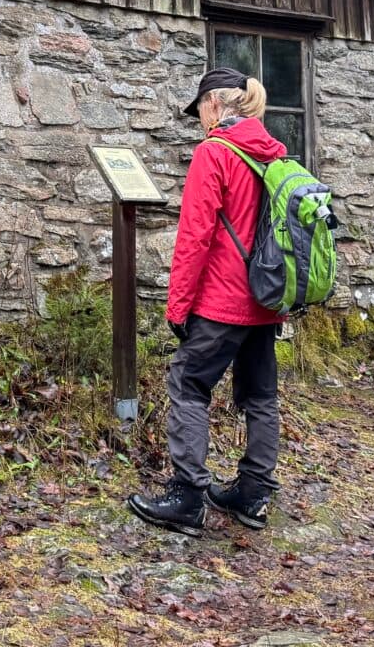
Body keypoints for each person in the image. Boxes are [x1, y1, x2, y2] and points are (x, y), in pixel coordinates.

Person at [127, 65, 287, 537]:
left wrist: (178, 306)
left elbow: (194, 237)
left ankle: (188, 495)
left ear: (215, 104)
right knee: (260, 395)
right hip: (267, 298)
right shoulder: (273, 155)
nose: (198, 118)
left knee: (188, 384)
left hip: (222, 300)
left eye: (199, 108)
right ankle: (253, 494)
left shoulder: (214, 154)